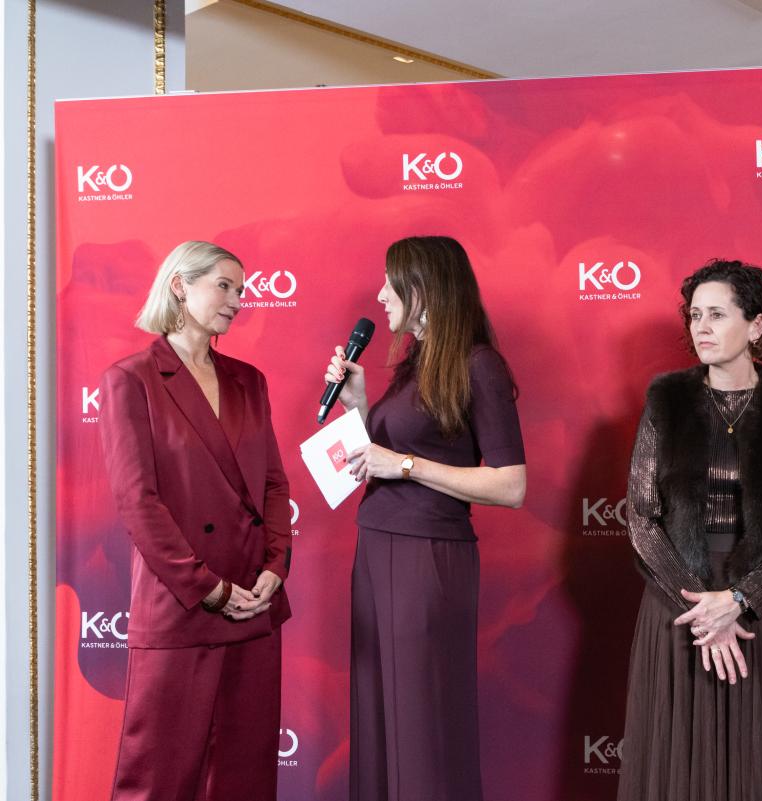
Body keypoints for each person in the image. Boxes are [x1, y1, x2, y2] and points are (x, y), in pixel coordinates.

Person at [616, 259, 762, 801]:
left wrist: (741, 599)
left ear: (757, 325)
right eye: (695, 315)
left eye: (717, 315)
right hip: (680, 599)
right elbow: (642, 517)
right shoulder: (666, 401)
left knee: (759, 753)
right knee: (680, 759)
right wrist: (703, 607)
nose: (702, 327)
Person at [323, 235, 526, 801]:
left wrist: (406, 465)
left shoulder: (479, 364)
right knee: (381, 711)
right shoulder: (416, 363)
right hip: (377, 548)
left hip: (426, 557)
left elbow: (511, 485)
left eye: (391, 282)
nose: (380, 295)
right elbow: (385, 458)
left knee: (421, 716)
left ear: (424, 288)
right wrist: (360, 407)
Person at [99, 240, 292, 800]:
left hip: (252, 604)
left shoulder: (249, 381)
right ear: (181, 286)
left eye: (241, 289)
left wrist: (275, 566)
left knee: (244, 780)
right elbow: (139, 503)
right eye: (224, 286)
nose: (237, 300)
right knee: (157, 780)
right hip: (182, 605)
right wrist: (207, 589)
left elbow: (273, 484)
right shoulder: (131, 379)